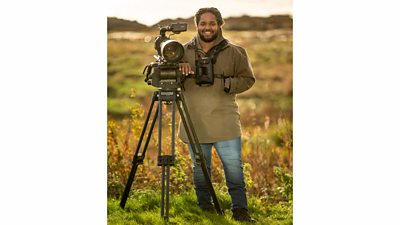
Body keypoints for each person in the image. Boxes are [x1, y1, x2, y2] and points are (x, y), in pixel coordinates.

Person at [177, 7, 256, 222]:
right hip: (195, 121)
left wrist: (227, 83)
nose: (207, 27)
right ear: (197, 25)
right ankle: (205, 208)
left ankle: (240, 210)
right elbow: (166, 79)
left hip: (225, 120)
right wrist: (179, 69)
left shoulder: (236, 52)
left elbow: (248, 79)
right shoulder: (181, 52)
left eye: (212, 23)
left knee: (233, 168)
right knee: (200, 169)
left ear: (220, 24)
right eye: (203, 23)